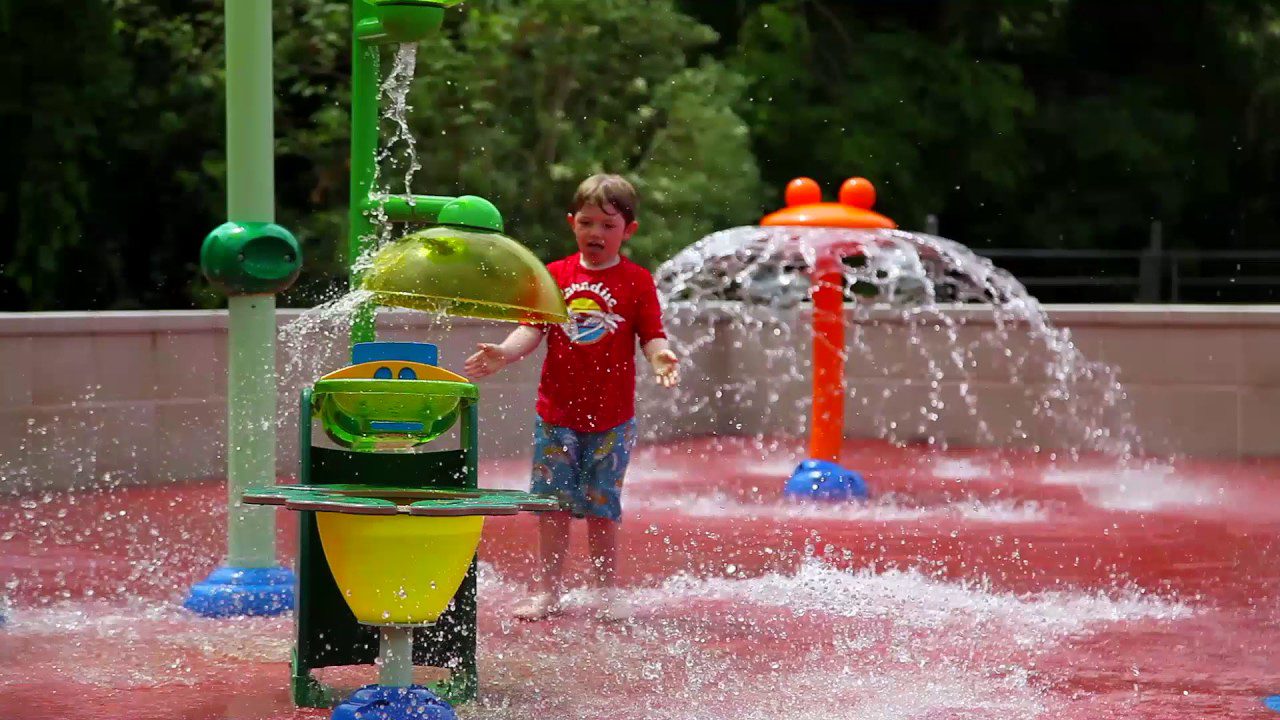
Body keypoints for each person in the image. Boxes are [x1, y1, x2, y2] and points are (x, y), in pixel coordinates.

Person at [464, 174, 679, 621]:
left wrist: (662, 358)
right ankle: (549, 591)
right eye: (587, 223)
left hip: (612, 419)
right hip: (556, 416)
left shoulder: (637, 282)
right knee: (552, 508)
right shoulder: (554, 277)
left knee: (602, 509)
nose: (596, 233)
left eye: (607, 224)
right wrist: (504, 352)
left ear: (628, 230)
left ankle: (604, 591)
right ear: (571, 224)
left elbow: (651, 336)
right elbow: (532, 328)